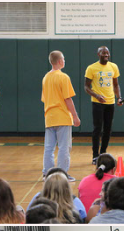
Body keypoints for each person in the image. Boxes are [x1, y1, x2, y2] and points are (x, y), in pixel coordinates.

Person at [42, 50, 81, 181]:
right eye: (63, 59)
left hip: (49, 116)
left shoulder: (46, 77)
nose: (64, 61)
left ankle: (47, 173)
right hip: (63, 116)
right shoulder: (63, 77)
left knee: (49, 148)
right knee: (64, 147)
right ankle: (62, 173)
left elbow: (44, 98)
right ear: (59, 61)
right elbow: (67, 99)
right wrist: (75, 116)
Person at [84, 46, 124, 161]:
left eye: (107, 53)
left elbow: (116, 85)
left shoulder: (113, 66)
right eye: (103, 53)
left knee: (107, 129)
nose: (106, 54)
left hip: (110, 102)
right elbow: (86, 87)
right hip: (97, 103)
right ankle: (95, 155)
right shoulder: (91, 68)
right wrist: (96, 95)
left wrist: (119, 98)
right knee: (97, 129)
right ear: (98, 54)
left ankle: (103, 153)